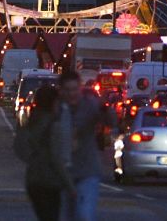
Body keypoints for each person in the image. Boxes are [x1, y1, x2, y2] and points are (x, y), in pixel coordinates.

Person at [59, 70, 116, 221]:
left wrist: (104, 107)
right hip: (63, 174)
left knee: (84, 214)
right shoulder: (57, 110)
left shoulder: (90, 105)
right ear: (61, 91)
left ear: (80, 89)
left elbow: (111, 122)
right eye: (68, 90)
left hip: (87, 171)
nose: (72, 94)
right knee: (66, 216)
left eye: (75, 89)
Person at [13, 84, 75, 221]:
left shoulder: (32, 121)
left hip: (33, 180)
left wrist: (33, 158)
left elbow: (19, 146)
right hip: (50, 182)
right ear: (53, 103)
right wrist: (70, 186)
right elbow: (56, 158)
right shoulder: (54, 125)